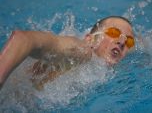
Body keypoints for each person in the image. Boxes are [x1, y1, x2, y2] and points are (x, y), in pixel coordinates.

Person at [0, 16, 135, 90]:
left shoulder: (104, 73)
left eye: (129, 41)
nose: (122, 42)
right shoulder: (83, 51)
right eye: (113, 32)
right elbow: (22, 38)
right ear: (90, 39)